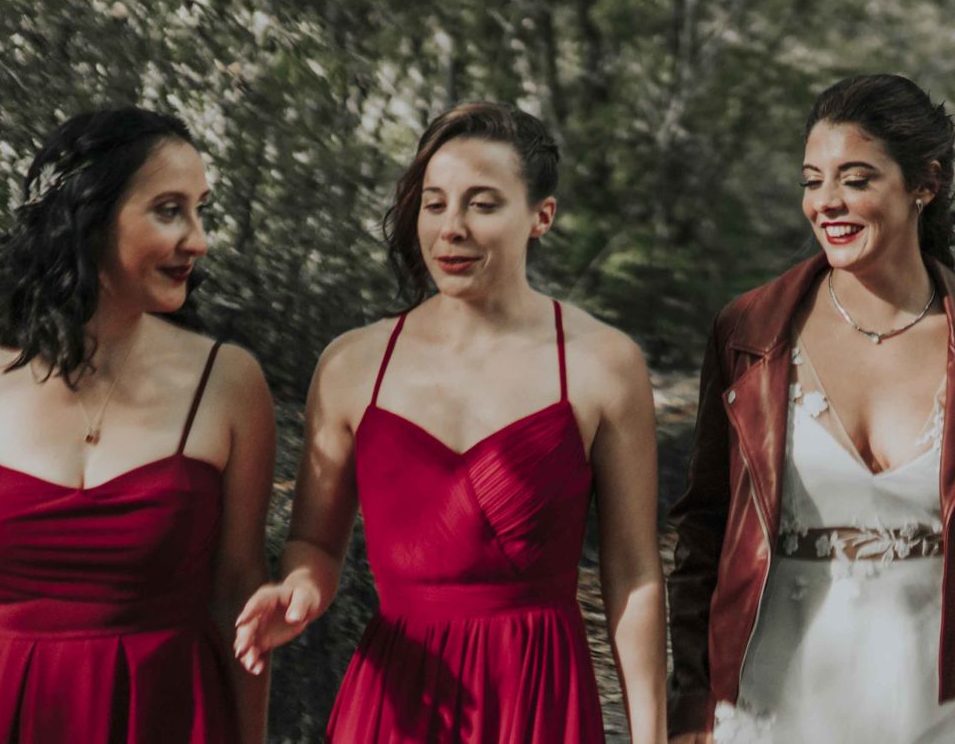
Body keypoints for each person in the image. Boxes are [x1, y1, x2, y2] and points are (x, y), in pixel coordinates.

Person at [0, 107, 276, 744]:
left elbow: (237, 597)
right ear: (86, 216)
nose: (197, 240)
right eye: (169, 210)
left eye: (201, 210)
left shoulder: (229, 384)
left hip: (164, 717)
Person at [233, 102, 666, 744]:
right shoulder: (354, 364)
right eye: (434, 204)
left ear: (540, 217)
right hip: (398, 699)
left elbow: (633, 572)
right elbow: (317, 547)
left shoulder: (603, 363)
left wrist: (650, 735)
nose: (450, 229)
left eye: (483, 204)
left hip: (537, 696)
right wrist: (299, 588)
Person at [667, 74, 955, 744]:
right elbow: (703, 534)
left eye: (854, 178)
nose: (826, 201)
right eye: (811, 180)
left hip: (944, 712)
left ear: (924, 182)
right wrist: (691, 710)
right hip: (767, 706)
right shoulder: (747, 335)